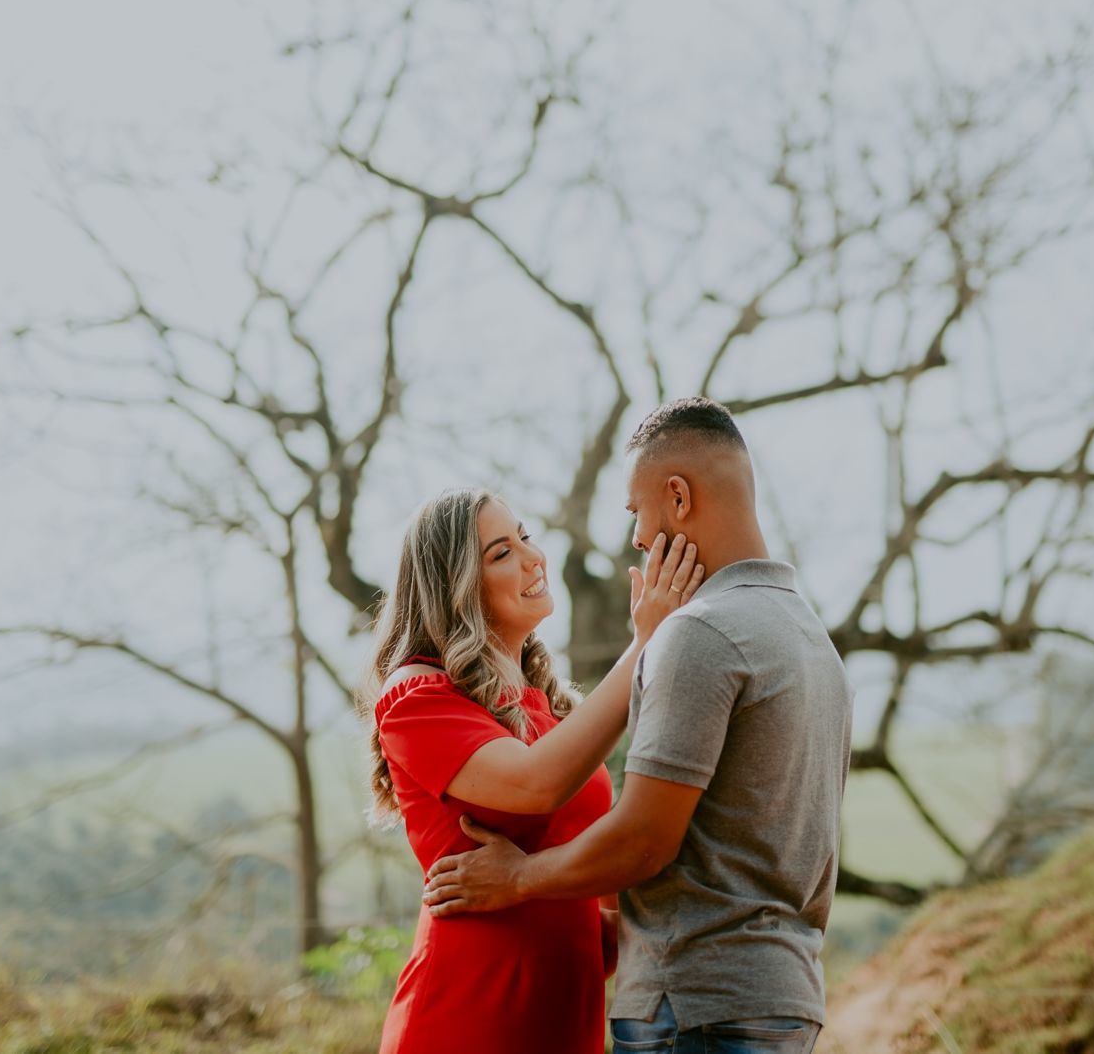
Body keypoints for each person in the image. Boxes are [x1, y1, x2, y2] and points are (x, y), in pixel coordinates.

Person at [422, 397, 854, 1054]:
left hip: (693, 1004)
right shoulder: (809, 638)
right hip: (783, 1000)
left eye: (636, 512)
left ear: (678, 497)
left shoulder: (701, 632)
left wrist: (517, 878)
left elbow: (644, 841)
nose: (637, 538)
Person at [365, 487, 706, 1054]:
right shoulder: (418, 695)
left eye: (524, 537)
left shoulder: (549, 709)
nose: (533, 557)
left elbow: (594, 899)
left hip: (563, 1020)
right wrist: (644, 644)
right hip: (467, 1019)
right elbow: (537, 784)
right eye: (501, 553)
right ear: (455, 587)